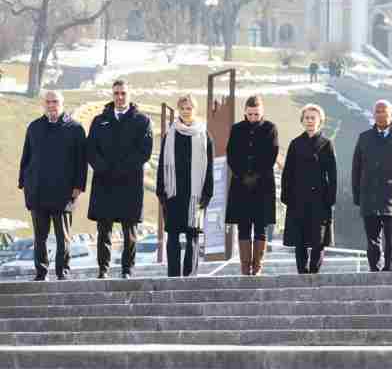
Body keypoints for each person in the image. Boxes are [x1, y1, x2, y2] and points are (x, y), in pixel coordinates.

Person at [86, 79, 153, 279]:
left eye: (123, 93)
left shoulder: (142, 121)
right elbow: (90, 150)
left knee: (129, 231)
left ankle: (127, 270)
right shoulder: (99, 121)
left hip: (129, 183)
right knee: (103, 230)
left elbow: (145, 151)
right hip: (104, 182)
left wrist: (123, 168)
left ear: (129, 94)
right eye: (116, 93)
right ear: (112, 95)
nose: (120, 97)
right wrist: (103, 167)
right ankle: (103, 270)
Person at [18, 91, 87, 281]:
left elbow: (82, 162)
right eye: (48, 102)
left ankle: (62, 271)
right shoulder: (34, 127)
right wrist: (24, 183)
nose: (51, 105)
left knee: (62, 236)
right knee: (39, 237)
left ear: (62, 103)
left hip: (64, 193)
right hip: (38, 191)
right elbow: (26, 158)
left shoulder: (75, 128)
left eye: (55, 102)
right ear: (43, 104)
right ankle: (41, 272)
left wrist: (78, 186)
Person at [155, 95, 214, 278]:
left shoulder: (204, 135)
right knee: (172, 235)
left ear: (194, 110)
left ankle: (190, 276)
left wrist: (207, 193)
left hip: (195, 194)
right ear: (178, 110)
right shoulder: (170, 134)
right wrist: (161, 192)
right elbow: (161, 164)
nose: (186, 111)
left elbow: (209, 166)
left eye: (189, 108)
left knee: (193, 235)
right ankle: (173, 275)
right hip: (173, 193)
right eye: (183, 108)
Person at [352, 100, 392, 272]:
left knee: (391, 240)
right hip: (369, 196)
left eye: (383, 111)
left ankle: (390, 272)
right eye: (377, 111)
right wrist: (358, 196)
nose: (380, 114)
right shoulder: (364, 138)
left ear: (391, 114)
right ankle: (374, 271)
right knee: (372, 241)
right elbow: (356, 169)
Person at [224, 95, 279, 276]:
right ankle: (245, 267)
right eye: (250, 114)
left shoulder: (270, 128)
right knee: (244, 225)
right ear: (245, 112)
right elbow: (231, 154)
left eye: (256, 114)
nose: (253, 118)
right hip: (241, 184)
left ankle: (257, 267)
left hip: (262, 184)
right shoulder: (237, 129)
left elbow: (271, 154)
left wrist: (255, 175)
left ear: (261, 112)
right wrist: (242, 174)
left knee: (261, 225)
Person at [281, 104, 337, 274]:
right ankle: (301, 270)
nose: (310, 121)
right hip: (298, 198)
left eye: (313, 118)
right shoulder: (295, 144)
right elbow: (287, 172)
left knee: (318, 239)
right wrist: (286, 195)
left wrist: (330, 198)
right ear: (302, 121)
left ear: (320, 121)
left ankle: (314, 270)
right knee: (300, 238)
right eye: (307, 118)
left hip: (320, 199)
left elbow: (332, 174)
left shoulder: (326, 144)